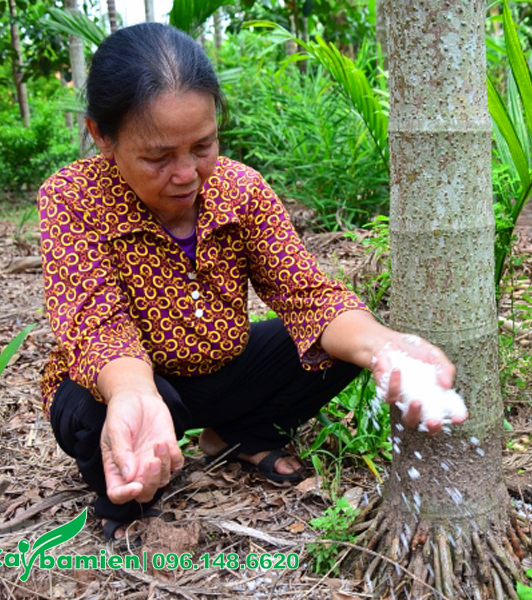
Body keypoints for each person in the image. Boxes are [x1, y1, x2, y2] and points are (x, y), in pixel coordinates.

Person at [38, 22, 463, 541]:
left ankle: (237, 435)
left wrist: (388, 348)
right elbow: (94, 321)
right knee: (126, 406)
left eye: (202, 145)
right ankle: (124, 496)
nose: (187, 174)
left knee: (339, 345)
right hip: (125, 384)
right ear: (102, 136)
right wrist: (135, 394)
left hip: (219, 368)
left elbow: (306, 294)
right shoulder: (72, 197)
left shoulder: (240, 190)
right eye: (157, 157)